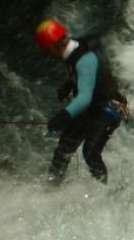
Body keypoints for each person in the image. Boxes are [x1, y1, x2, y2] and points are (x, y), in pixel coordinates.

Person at [35, 18, 128, 184]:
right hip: (92, 108)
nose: (47, 54)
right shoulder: (71, 50)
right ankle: (51, 188)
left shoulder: (84, 58)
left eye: (46, 50)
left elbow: (85, 98)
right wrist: (69, 84)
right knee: (63, 150)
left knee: (90, 152)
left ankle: (104, 191)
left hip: (110, 107)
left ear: (53, 46)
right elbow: (88, 78)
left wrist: (63, 116)